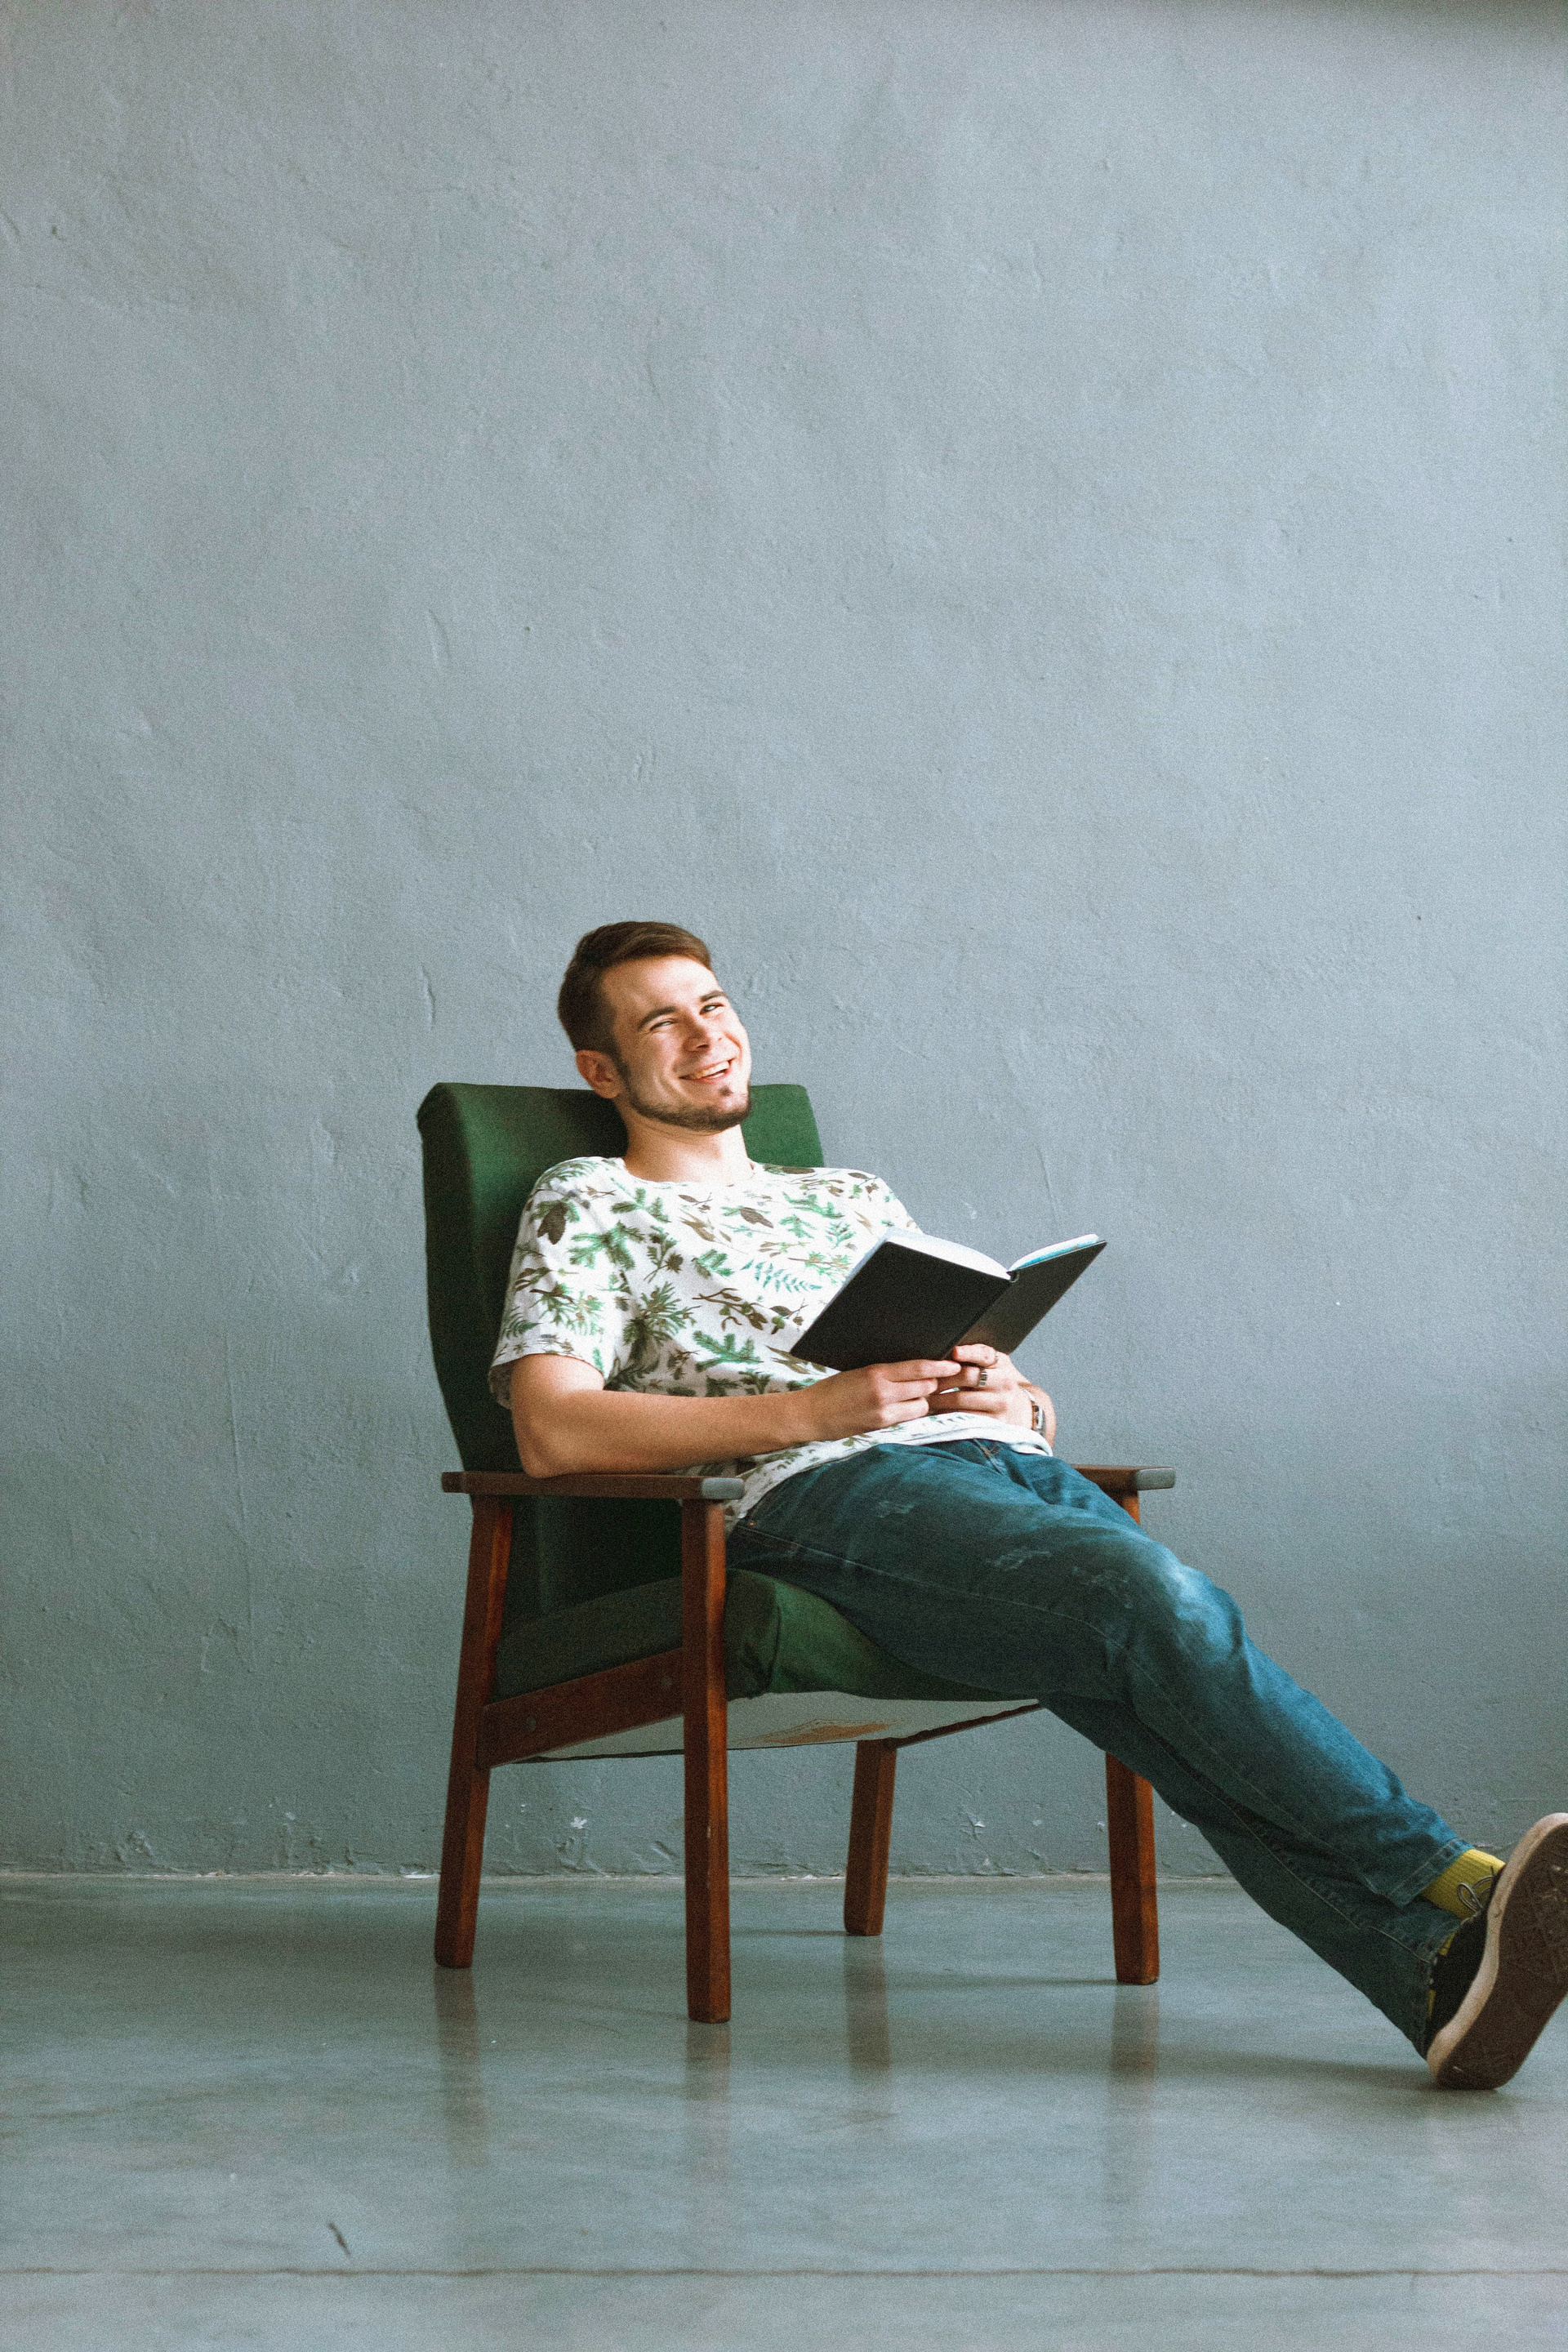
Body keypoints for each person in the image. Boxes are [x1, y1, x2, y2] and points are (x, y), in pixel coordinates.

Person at [490, 920, 1568, 2089]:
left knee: (1155, 1681)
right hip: (823, 1490)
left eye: (714, 1005)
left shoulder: (849, 1196)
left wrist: (1017, 1397)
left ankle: (1433, 1982)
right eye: (662, 1022)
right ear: (603, 1071)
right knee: (1154, 1600)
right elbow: (552, 1429)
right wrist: (815, 1410)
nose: (708, 1037)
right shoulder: (589, 1198)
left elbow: (960, 1366)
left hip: (989, 1462)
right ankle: (1447, 1877)